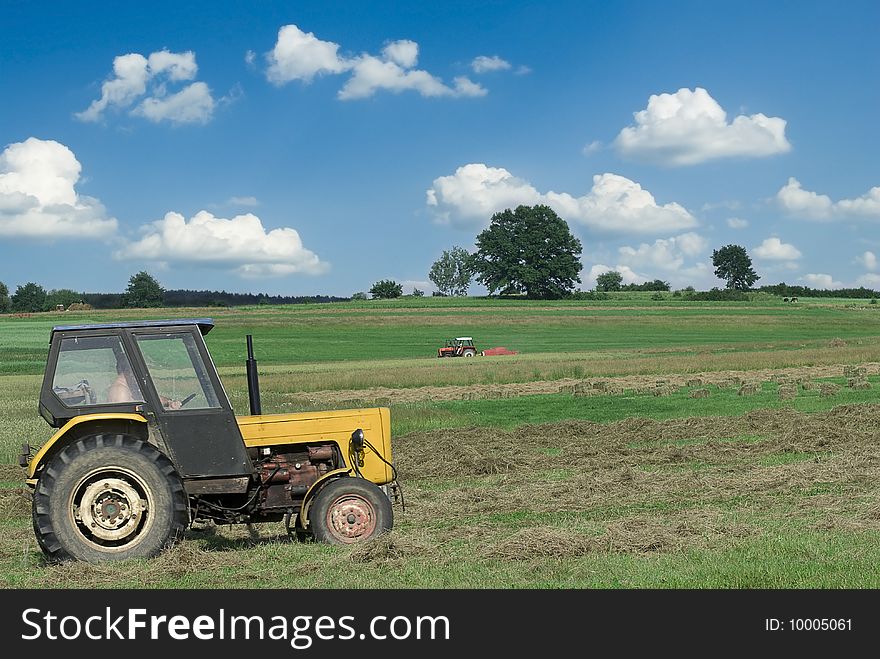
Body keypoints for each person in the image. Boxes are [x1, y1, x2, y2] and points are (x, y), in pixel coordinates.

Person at [107, 354, 181, 409]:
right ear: (128, 370)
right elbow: (125, 421)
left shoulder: (129, 386)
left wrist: (169, 403)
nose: (142, 374)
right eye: (137, 370)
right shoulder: (120, 391)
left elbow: (150, 398)